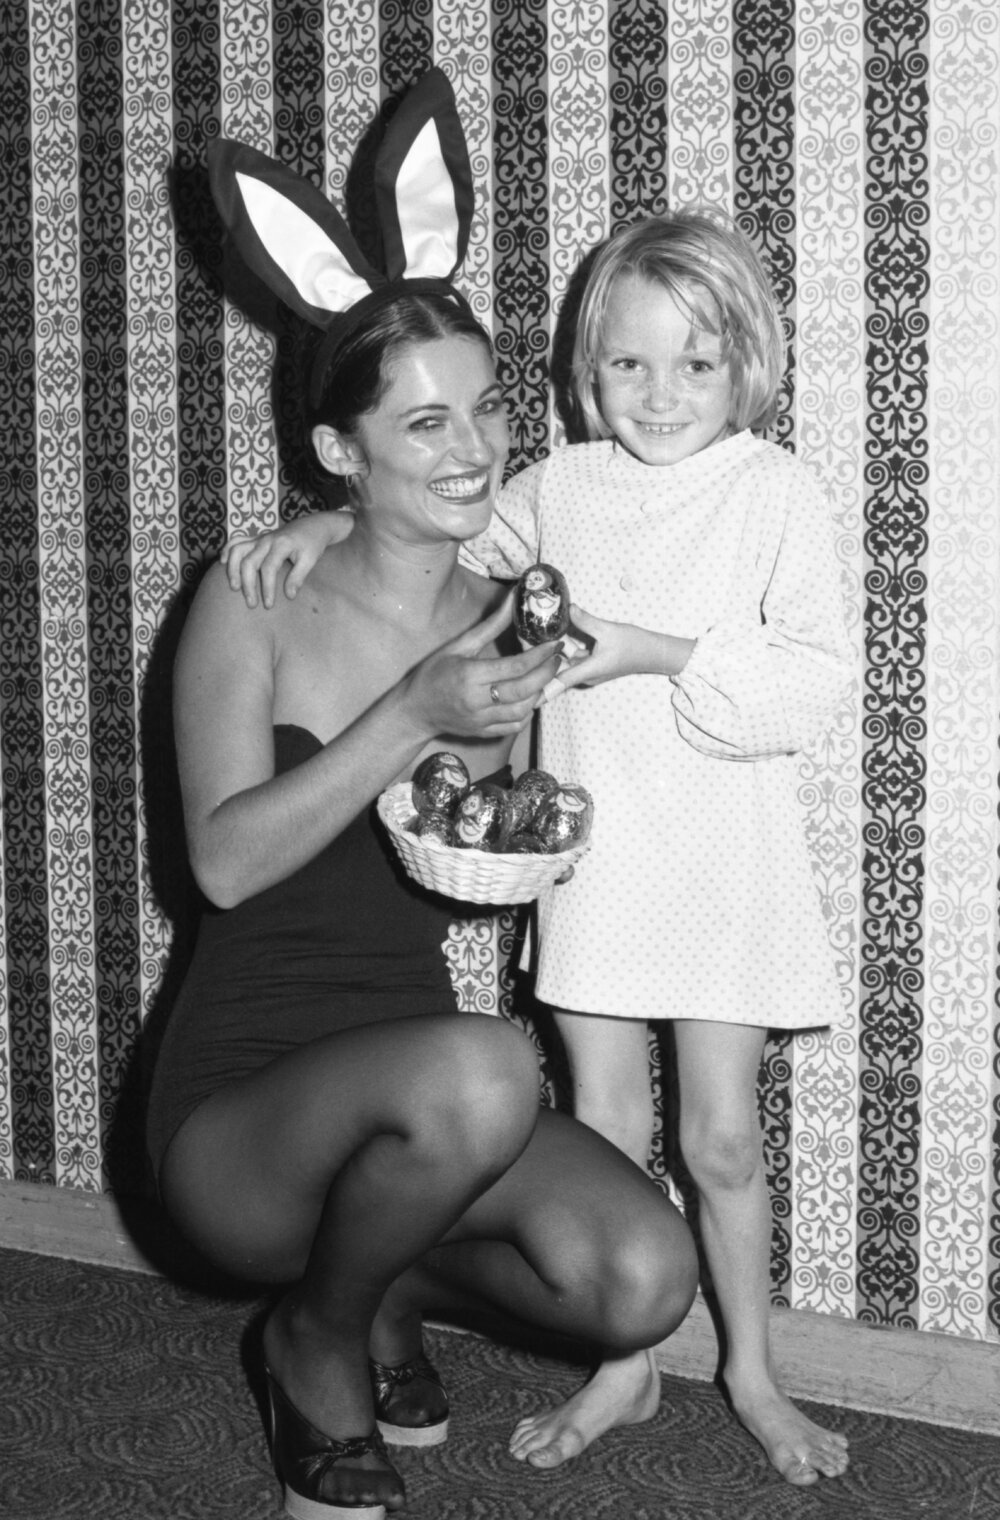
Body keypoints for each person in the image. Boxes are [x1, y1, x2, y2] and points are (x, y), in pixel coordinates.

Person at [225, 207, 856, 1488]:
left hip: (725, 865)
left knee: (723, 1139)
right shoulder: (558, 486)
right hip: (602, 863)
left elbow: (812, 685)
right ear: (583, 367)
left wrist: (657, 650)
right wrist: (318, 524)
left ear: (748, 362)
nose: (660, 392)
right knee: (611, 1120)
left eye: (695, 361)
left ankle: (752, 1367)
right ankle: (627, 1363)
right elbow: (439, 536)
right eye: (627, 362)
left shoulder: (772, 490)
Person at [149, 81, 698, 1520]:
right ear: (341, 450)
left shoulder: (509, 611)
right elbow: (221, 867)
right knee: (485, 1067)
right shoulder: (252, 597)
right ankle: (317, 1333)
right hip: (238, 1121)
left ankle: (375, 1274)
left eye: (488, 408)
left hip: (412, 1081)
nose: (471, 450)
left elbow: (487, 840)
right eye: (422, 425)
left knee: (642, 1280)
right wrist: (410, 714)